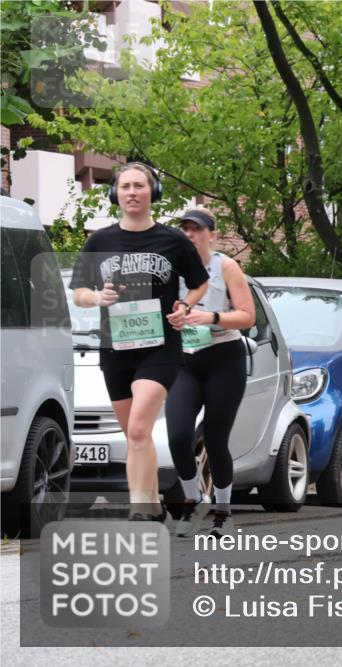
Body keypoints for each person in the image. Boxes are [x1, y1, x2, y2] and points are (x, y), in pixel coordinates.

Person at [70, 163, 208, 520]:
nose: (132, 192)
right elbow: (79, 293)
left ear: (153, 192)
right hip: (115, 346)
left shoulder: (173, 241)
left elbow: (199, 282)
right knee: (136, 435)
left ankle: (138, 508)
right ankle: (153, 506)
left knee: (138, 427)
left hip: (160, 345)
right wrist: (97, 299)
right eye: (125, 186)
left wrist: (186, 306)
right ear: (116, 194)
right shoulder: (100, 240)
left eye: (139, 186)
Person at [166, 208, 256, 538]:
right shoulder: (172, 269)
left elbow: (248, 317)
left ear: (212, 235)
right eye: (185, 229)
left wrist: (213, 317)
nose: (190, 234)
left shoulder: (226, 267)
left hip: (223, 358)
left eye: (196, 229)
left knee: (216, 439)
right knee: (177, 436)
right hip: (184, 360)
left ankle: (224, 514)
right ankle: (194, 500)